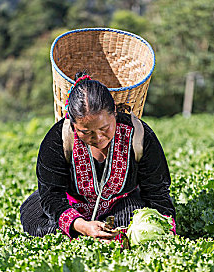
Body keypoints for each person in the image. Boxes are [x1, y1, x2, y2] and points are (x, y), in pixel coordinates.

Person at [20, 72, 176, 243]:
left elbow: (157, 191)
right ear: (72, 124)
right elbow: (52, 195)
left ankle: (96, 238)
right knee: (34, 218)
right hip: (71, 206)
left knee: (129, 223)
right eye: (86, 132)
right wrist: (82, 225)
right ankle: (85, 235)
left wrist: (165, 227)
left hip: (120, 205)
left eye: (105, 128)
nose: (98, 137)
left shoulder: (138, 135)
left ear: (114, 113)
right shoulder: (58, 139)